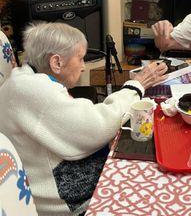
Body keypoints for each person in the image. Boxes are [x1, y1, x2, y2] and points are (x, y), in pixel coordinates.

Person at [0, 22, 167, 216]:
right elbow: (98, 127)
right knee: (147, 180)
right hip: (64, 200)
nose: (82, 67)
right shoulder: (32, 89)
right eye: (80, 59)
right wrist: (136, 86)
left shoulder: (24, 78)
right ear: (56, 62)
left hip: (58, 175)